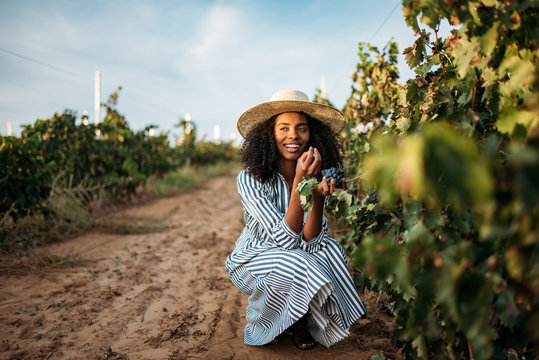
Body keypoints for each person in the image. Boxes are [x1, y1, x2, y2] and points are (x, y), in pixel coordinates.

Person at [225, 89, 366, 350]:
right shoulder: (250, 178)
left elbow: (312, 241)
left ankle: (301, 319)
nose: (293, 136)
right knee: (295, 259)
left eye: (301, 128)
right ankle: (265, 322)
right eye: (284, 128)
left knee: (329, 250)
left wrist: (318, 196)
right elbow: (285, 240)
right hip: (253, 260)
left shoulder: (317, 175)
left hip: (296, 255)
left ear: (312, 134)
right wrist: (300, 182)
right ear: (270, 134)